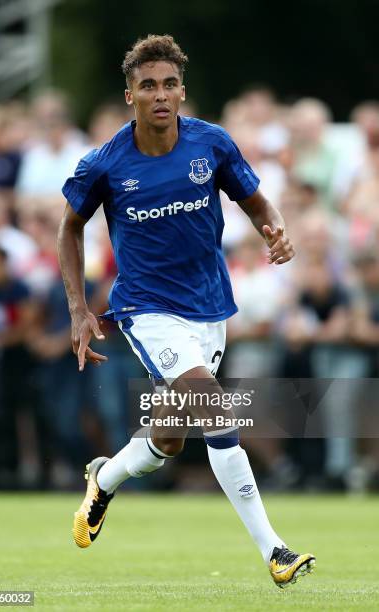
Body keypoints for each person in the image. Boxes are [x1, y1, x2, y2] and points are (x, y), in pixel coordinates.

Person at [58, 34, 315, 588]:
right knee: (217, 413)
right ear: (130, 95)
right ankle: (275, 550)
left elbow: (256, 201)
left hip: (208, 308)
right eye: (147, 85)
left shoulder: (211, 145)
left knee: (167, 441)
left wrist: (276, 229)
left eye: (169, 84)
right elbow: (70, 228)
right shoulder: (105, 163)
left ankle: (104, 478)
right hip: (147, 311)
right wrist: (79, 309)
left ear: (182, 92)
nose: (160, 95)